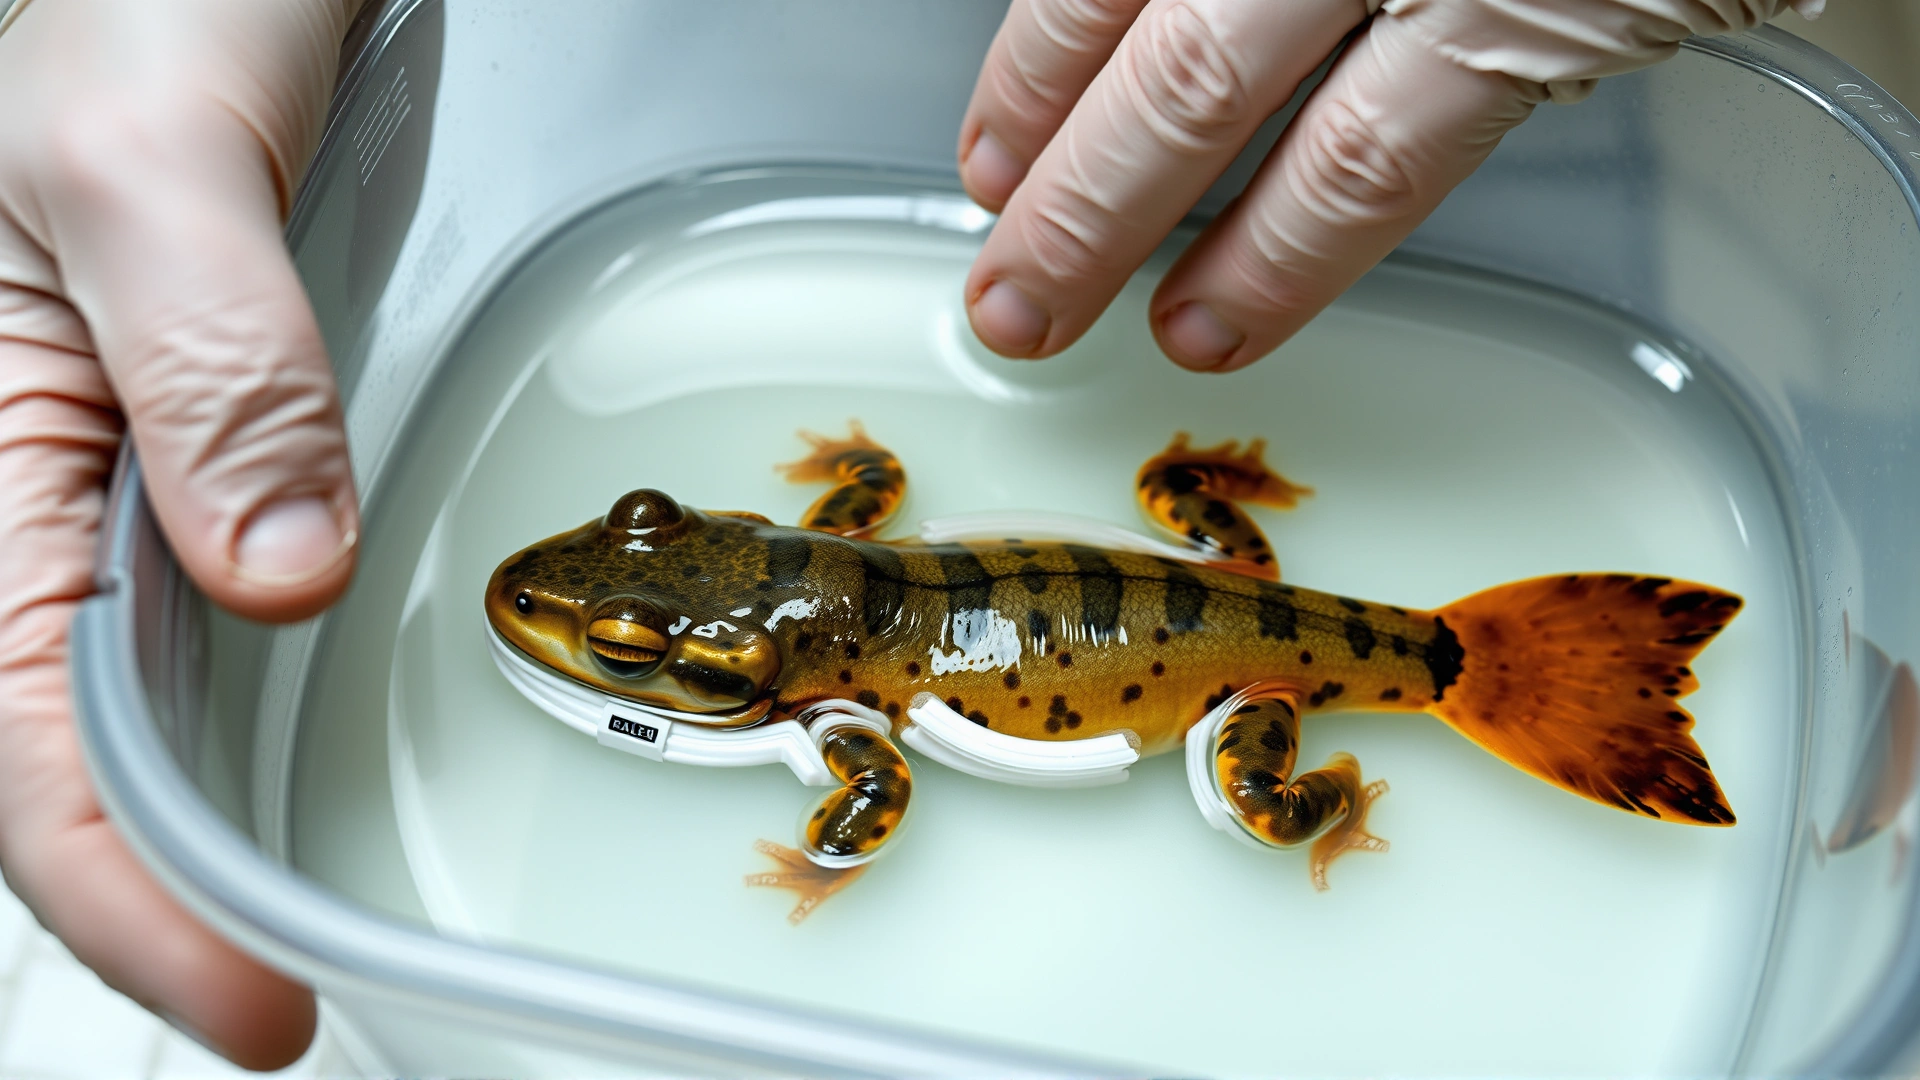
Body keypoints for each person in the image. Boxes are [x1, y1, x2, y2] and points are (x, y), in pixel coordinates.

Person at [0, 0, 1821, 1067]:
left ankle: (1439, 711)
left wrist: (823, 858)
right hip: (636, 79)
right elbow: (868, 543)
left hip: (1568, 139)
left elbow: (869, 792)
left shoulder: (843, 638)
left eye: (637, 627)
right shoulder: (846, 573)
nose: (613, 618)